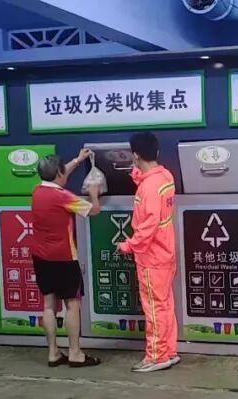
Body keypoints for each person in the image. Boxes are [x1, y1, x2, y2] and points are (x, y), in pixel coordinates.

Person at [30, 150, 102, 368]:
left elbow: (56, 178)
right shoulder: (64, 197)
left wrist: (77, 160)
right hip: (64, 257)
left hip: (41, 257)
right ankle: (75, 353)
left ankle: (53, 353)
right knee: (72, 304)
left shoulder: (37, 191)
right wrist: (94, 194)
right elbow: (94, 211)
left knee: (49, 305)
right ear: (59, 173)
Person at [117, 132, 180, 372]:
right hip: (165, 253)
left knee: (154, 308)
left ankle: (156, 356)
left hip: (151, 257)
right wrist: (137, 173)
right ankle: (169, 351)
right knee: (165, 305)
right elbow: (148, 190)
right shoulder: (164, 176)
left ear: (135, 155)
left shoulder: (149, 187)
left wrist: (128, 245)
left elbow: (148, 226)